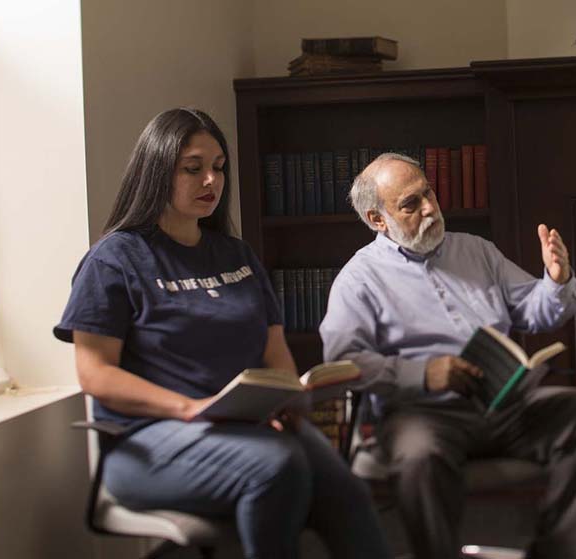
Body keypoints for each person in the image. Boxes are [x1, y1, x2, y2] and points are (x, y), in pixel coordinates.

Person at [53, 108, 390, 559]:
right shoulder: (114, 261)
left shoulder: (237, 255)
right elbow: (95, 375)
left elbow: (276, 353)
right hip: (151, 440)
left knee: (346, 491)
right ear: (157, 172)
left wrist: (286, 397)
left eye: (218, 168)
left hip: (248, 426)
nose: (211, 181)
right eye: (193, 169)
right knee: (277, 466)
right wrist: (190, 408)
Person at [320, 153, 576, 559]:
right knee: (419, 454)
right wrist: (422, 374)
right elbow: (344, 362)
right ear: (377, 219)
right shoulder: (359, 278)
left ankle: (556, 552)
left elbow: (534, 311)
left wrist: (556, 280)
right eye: (410, 204)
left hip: (503, 406)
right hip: (423, 413)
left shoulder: (477, 251)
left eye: (429, 194)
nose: (430, 209)